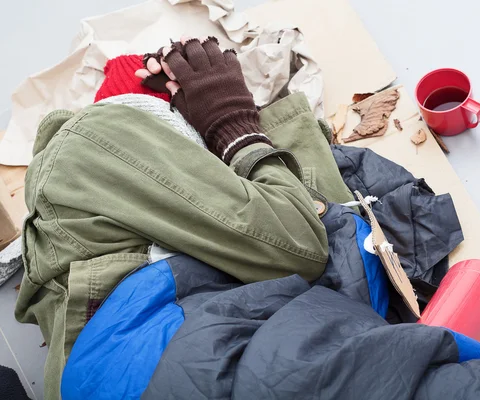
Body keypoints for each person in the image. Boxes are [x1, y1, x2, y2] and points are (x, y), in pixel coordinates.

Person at [16, 35, 354, 399]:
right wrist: (234, 126)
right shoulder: (102, 132)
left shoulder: (86, 196)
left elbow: (342, 262)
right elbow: (302, 248)